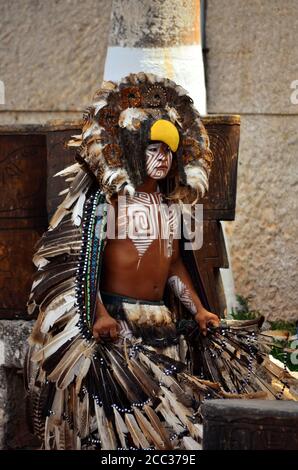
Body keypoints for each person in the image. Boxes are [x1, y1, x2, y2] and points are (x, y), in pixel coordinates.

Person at [25, 73, 297, 451]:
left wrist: (199, 310)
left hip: (162, 326)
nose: (161, 159)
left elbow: (172, 267)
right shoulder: (108, 203)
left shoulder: (171, 210)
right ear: (136, 152)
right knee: (130, 432)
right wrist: (98, 314)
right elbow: (80, 268)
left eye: (168, 153)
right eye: (153, 150)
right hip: (118, 329)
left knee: (170, 427)